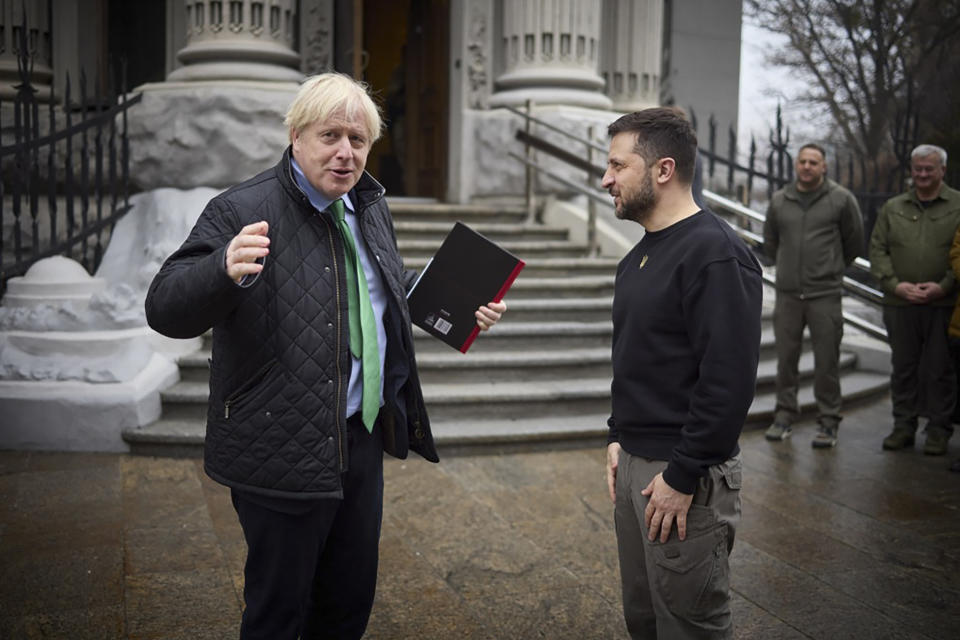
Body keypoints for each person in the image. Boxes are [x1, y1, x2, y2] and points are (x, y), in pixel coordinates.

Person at [144, 73, 505, 640]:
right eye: (330, 135)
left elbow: (379, 283)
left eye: (358, 140)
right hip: (280, 444)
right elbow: (164, 307)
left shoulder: (367, 205)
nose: (345, 152)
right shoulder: (241, 208)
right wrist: (221, 270)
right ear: (296, 136)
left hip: (360, 439)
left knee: (346, 603)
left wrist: (460, 307)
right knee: (279, 612)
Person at [601, 107, 762, 639]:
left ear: (663, 170)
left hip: (682, 475)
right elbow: (637, 357)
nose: (606, 179)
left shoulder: (716, 255)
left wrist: (682, 474)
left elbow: (728, 382)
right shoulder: (638, 258)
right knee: (644, 618)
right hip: (635, 466)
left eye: (617, 166)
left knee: (690, 627)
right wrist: (617, 436)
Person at [762, 143, 864, 447]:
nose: (807, 166)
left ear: (824, 167)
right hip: (789, 295)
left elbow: (854, 243)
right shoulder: (780, 200)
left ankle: (829, 421)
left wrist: (828, 270)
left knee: (827, 362)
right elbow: (770, 243)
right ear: (797, 165)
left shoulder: (842, 200)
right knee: (786, 361)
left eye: (813, 162)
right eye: (802, 161)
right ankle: (784, 416)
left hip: (825, 295)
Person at [870, 144, 960, 457]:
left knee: (940, 370)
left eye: (929, 169)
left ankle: (938, 430)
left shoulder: (958, 205)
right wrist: (896, 285)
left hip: (942, 305)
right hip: (900, 304)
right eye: (917, 168)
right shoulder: (893, 207)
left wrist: (944, 286)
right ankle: (903, 426)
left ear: (942, 171)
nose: (922, 174)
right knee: (903, 368)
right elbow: (877, 249)